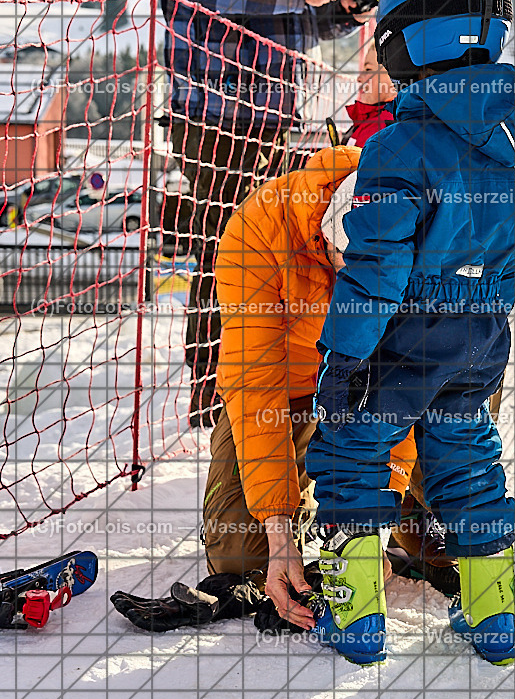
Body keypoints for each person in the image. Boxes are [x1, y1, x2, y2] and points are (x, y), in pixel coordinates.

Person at [301, 0, 515, 666]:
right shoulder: (511, 151)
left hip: (399, 336)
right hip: (479, 336)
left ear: (411, 39)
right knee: (467, 459)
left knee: (351, 454)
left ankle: (355, 621)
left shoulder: (399, 145)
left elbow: (377, 267)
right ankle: (493, 614)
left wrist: (345, 356)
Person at [110, 142, 454, 633]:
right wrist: (279, 535)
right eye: (347, 268)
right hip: (288, 392)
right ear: (325, 236)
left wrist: (375, 524)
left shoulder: (420, 231)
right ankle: (305, 498)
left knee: (439, 532)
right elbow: (255, 389)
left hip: (377, 391)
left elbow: (404, 382)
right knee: (239, 559)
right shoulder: (259, 229)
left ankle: (415, 527)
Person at [154, 0, 398, 427]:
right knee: (232, 253)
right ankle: (220, 400)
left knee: (274, 255)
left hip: (273, 123)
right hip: (217, 118)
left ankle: (269, 387)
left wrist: (343, 9)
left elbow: (296, 22)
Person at [343, 43, 396, 147]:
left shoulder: (386, 128)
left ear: (393, 76)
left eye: (368, 70)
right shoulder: (369, 121)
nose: (359, 78)